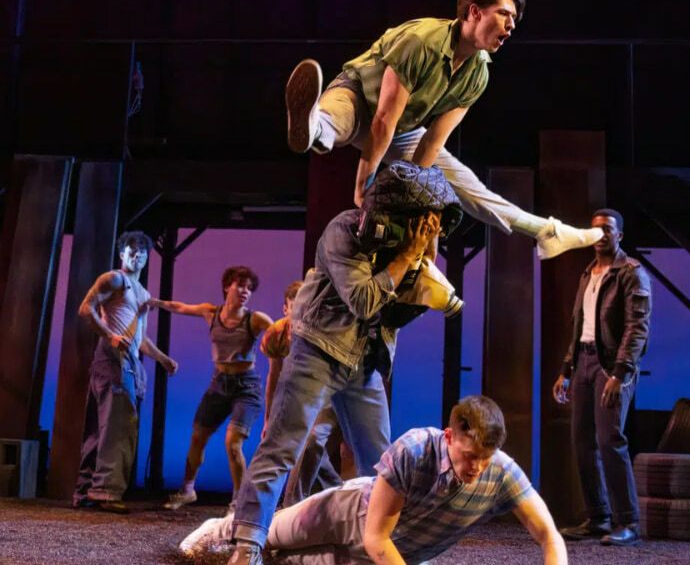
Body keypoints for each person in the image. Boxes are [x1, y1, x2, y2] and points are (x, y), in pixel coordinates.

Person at [226, 161, 454, 565]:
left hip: (364, 360)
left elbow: (397, 309)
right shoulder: (344, 231)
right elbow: (364, 300)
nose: (420, 229)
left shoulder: (410, 248)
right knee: (283, 446)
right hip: (319, 349)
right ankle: (248, 544)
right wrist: (405, 258)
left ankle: (385, 543)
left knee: (384, 462)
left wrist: (423, 256)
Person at [284, 0, 599, 261]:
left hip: (404, 129)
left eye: (514, 18)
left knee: (464, 182)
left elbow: (434, 140)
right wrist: (362, 188)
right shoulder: (422, 41)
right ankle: (309, 125)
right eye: (504, 14)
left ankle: (546, 231)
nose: (511, 25)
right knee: (334, 120)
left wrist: (411, 190)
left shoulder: (478, 74)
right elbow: (382, 119)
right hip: (359, 95)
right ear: (474, 12)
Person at [180, 396, 567, 565]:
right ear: (449, 437)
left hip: (392, 554)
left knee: (284, 561)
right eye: (469, 457)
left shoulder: (500, 470)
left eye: (485, 459)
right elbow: (375, 535)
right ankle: (223, 528)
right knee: (276, 534)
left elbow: (548, 534)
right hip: (353, 514)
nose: (477, 468)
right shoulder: (416, 449)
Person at [552, 208, 651, 547]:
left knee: (611, 441)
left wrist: (619, 373)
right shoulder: (587, 274)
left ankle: (628, 523)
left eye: (607, 229)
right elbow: (579, 326)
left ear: (619, 235)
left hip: (611, 367)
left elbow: (637, 329)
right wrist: (566, 370)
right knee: (581, 442)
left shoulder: (631, 273)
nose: (600, 235)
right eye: (595, 229)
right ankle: (598, 518)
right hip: (583, 363)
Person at [75, 230, 178, 513]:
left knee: (101, 429)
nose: (137, 254)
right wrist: (109, 336)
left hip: (127, 362)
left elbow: (140, 340)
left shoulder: (142, 293)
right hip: (112, 361)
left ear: (147, 256)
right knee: (119, 428)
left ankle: (86, 491)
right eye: (131, 250)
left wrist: (163, 359)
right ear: (122, 254)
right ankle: (105, 493)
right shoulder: (115, 278)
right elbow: (86, 309)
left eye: (142, 250)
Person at [159, 267, 274, 510]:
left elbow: (279, 331)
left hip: (247, 386)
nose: (245, 291)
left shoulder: (255, 319)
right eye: (240, 285)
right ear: (227, 286)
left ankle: (239, 502)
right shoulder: (211, 312)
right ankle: (187, 490)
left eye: (249, 288)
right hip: (219, 383)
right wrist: (153, 302)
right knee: (197, 437)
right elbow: (179, 307)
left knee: (232, 443)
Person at [261, 280, 349, 506]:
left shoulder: (324, 331)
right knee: (304, 446)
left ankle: (291, 507)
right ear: (286, 309)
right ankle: (341, 498)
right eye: (296, 307)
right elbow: (275, 378)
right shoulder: (276, 335)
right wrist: (269, 419)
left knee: (309, 440)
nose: (302, 313)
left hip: (332, 390)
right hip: (301, 393)